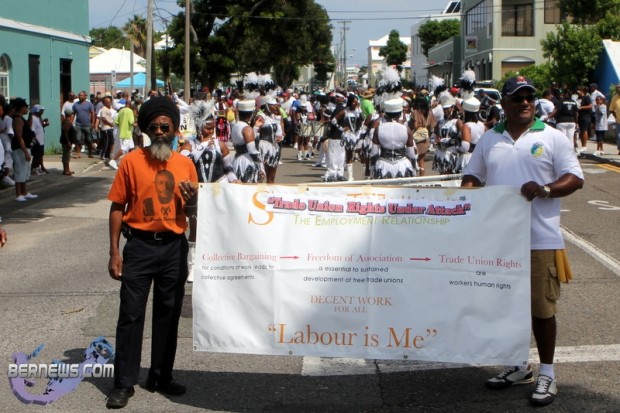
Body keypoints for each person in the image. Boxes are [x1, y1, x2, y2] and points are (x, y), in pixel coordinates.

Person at [461, 76, 584, 407]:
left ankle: (548, 373)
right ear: (505, 103)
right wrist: (466, 197)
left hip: (540, 239)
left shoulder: (552, 136)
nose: (526, 102)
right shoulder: (490, 139)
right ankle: (518, 366)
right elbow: (473, 175)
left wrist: (546, 189)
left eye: (530, 97)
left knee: (542, 309)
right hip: (499, 241)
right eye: (518, 98)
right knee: (506, 307)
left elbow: (575, 178)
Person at [106, 97, 198, 409]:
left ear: (175, 130)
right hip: (140, 247)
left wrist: (193, 202)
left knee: (168, 314)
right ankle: (123, 382)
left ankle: (160, 375)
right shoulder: (131, 162)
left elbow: (193, 209)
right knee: (130, 315)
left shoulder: (185, 164)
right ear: (146, 130)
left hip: (173, 246)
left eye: (165, 127)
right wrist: (114, 252)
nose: (159, 131)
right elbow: (117, 207)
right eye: (154, 127)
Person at [370, 98, 417, 179]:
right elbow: (411, 154)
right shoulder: (406, 129)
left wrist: (372, 171)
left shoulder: (378, 129)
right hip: (403, 166)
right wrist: (414, 170)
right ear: (400, 114)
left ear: (386, 113)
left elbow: (374, 153)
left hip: (383, 166)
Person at [10, 98, 37, 202]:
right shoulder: (17, 119)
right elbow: (19, 136)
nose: (27, 109)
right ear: (22, 108)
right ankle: (18, 194)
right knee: (19, 171)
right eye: (26, 107)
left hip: (25, 147)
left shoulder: (22, 118)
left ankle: (24, 192)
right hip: (20, 149)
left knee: (25, 171)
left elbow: (28, 126)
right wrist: (25, 151)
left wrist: (30, 115)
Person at [109, 95, 135, 170]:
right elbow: (131, 122)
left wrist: (122, 125)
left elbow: (116, 122)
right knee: (124, 148)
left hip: (122, 132)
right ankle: (113, 160)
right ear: (129, 104)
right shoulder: (130, 111)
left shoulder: (121, 111)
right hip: (127, 133)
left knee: (131, 147)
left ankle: (130, 162)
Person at [72, 91, 95, 158]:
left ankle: (90, 153)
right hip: (78, 125)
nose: (79, 96)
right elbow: (73, 114)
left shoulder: (89, 104)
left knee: (89, 140)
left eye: (81, 95)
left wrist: (92, 123)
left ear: (85, 96)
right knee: (78, 139)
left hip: (87, 124)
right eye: (79, 95)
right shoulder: (75, 105)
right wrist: (71, 122)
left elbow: (92, 113)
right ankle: (78, 153)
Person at [29, 104, 48, 175]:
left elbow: (39, 127)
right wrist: (34, 140)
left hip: (41, 141)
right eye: (41, 110)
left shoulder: (38, 118)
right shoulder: (33, 118)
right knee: (36, 156)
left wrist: (44, 124)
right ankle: (33, 169)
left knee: (39, 155)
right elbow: (32, 130)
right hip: (37, 141)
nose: (42, 112)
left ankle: (37, 168)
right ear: (37, 111)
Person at [60, 109, 76, 175]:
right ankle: (66, 170)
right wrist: (68, 142)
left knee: (67, 155)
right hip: (66, 142)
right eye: (72, 114)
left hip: (67, 141)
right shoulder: (67, 122)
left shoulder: (67, 121)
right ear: (70, 115)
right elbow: (66, 133)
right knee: (66, 156)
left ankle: (67, 169)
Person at [607, 84, 620, 155]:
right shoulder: (614, 98)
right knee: (619, 136)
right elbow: (611, 109)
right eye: (617, 88)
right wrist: (616, 117)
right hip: (618, 121)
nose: (618, 89)